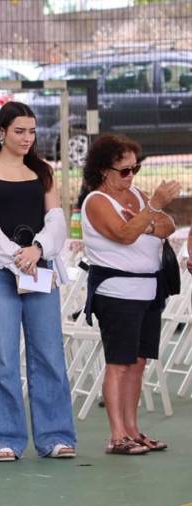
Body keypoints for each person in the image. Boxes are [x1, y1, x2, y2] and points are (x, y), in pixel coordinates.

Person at [0, 101, 75, 461]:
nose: (27, 138)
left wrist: (38, 249)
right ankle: (2, 439)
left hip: (40, 271)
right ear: (2, 132)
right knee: (1, 356)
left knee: (48, 354)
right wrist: (18, 258)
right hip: (2, 274)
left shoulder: (43, 172)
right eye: (19, 131)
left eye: (31, 131)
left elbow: (57, 221)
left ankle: (56, 437)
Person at [76, 134, 180, 455]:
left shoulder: (136, 196)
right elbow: (123, 234)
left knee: (138, 362)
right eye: (124, 170)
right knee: (118, 363)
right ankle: (116, 434)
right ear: (103, 171)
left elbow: (169, 226)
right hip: (117, 291)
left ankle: (132, 429)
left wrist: (146, 220)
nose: (131, 176)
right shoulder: (96, 201)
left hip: (149, 289)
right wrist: (151, 213)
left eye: (135, 168)